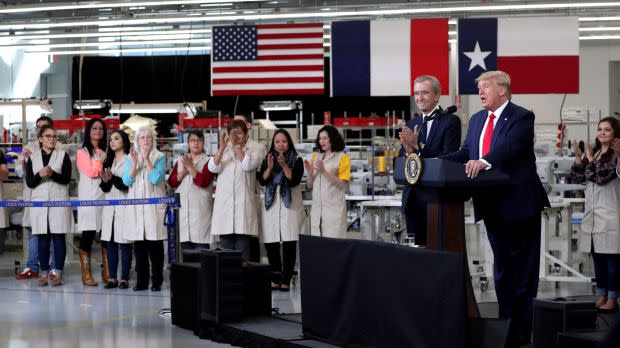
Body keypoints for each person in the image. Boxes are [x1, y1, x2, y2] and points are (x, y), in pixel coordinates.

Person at [441, 71, 550, 347]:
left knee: (523, 272)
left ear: (502, 90)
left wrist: (484, 161)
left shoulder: (522, 117)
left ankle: (522, 333)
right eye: (479, 87)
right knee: (502, 270)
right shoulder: (477, 120)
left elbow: (508, 148)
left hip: (520, 203)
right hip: (491, 205)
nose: (480, 92)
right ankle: (506, 326)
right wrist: (433, 160)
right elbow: (466, 153)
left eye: (485, 87)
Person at [398, 75, 461, 245]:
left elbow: (448, 159)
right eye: (416, 93)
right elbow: (400, 161)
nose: (419, 98)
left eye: (424, 93)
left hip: (437, 199)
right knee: (416, 254)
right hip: (413, 198)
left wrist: (419, 145)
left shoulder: (450, 121)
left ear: (437, 95)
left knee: (437, 250)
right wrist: (409, 152)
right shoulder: (412, 123)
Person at [570, 117, 620, 313]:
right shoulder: (597, 153)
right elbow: (577, 177)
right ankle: (601, 293)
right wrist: (578, 157)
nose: (602, 132)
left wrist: (589, 159)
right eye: (600, 129)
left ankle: (613, 297)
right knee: (598, 257)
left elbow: (601, 177)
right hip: (592, 216)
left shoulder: (616, 155)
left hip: (610, 215)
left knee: (612, 259)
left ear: (615, 132)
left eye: (607, 129)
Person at [257, 129, 305, 291]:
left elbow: (293, 180)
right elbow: (262, 181)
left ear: (289, 143)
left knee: (289, 244)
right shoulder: (267, 158)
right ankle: (275, 278)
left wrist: (284, 165)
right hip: (271, 206)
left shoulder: (297, 160)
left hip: (289, 207)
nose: (280, 145)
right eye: (277, 142)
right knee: (271, 244)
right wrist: (270, 168)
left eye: (284, 141)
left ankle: (286, 279)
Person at [26, 125, 72, 287]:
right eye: (48, 136)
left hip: (58, 201)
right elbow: (30, 183)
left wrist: (52, 174)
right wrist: (40, 174)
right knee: (43, 239)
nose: (52, 139)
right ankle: (43, 274)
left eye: (54, 136)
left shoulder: (63, 156)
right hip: (39, 203)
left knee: (59, 238)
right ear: (40, 139)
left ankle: (57, 273)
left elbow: (66, 179)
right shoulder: (33, 158)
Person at [209, 119, 261, 261]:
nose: (235, 136)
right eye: (232, 132)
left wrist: (237, 147)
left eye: (239, 132)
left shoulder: (254, 151)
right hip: (224, 212)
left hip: (243, 212)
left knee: (242, 258)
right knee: (225, 259)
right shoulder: (224, 152)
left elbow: (247, 165)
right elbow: (212, 168)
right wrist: (221, 148)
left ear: (245, 134)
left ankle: (243, 283)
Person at [123, 126, 167, 292]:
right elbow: (127, 181)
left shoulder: (160, 157)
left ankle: (157, 282)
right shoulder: (130, 157)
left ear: (153, 140)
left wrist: (147, 159)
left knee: (155, 247)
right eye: (142, 137)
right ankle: (141, 282)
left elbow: (156, 178)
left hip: (153, 208)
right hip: (136, 208)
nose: (146, 140)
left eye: (149, 137)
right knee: (140, 248)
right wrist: (135, 164)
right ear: (137, 140)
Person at [15, 116, 55, 279]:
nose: (40, 129)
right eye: (37, 127)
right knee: (33, 231)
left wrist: (35, 160)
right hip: (32, 194)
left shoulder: (57, 148)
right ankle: (32, 266)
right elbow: (19, 173)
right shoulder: (28, 147)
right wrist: (25, 165)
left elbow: (53, 171)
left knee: (53, 231)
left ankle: (53, 268)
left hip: (51, 194)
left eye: (44, 127)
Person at [168, 129, 215, 250]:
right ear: (188, 143)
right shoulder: (180, 161)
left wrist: (190, 167)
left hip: (201, 215)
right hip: (183, 214)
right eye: (193, 140)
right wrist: (183, 172)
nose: (196, 143)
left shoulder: (209, 161)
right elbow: (172, 183)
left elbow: (204, 182)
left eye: (199, 140)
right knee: (184, 259)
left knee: (201, 253)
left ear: (204, 143)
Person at [76, 118, 108, 286]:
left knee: (106, 233)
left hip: (104, 196)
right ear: (88, 131)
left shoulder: (106, 150)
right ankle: (86, 273)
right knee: (88, 233)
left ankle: (107, 271)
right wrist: (100, 162)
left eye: (101, 129)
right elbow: (91, 172)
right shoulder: (82, 152)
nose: (98, 131)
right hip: (88, 196)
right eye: (94, 128)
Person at [304, 125, 350, 239]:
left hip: (334, 212)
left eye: (325, 138)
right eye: (320, 138)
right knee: (319, 250)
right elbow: (309, 186)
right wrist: (309, 174)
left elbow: (343, 184)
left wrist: (324, 171)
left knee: (334, 248)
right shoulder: (316, 156)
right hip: (317, 212)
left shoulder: (342, 157)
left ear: (333, 138)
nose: (321, 141)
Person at [100, 130, 132, 289]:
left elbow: (125, 185)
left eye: (116, 138)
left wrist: (112, 178)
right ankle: (112, 277)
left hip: (124, 205)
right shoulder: (108, 161)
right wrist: (105, 180)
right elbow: (105, 188)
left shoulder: (129, 160)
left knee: (124, 242)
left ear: (124, 141)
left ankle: (124, 278)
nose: (112, 142)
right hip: (109, 205)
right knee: (110, 242)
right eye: (111, 139)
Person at [234, 113, 267, 262]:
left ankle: (252, 281)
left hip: (249, 198)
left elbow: (249, 167)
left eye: (239, 123)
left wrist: (238, 148)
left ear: (248, 126)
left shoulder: (258, 147)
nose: (235, 127)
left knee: (250, 241)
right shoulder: (227, 146)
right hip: (231, 203)